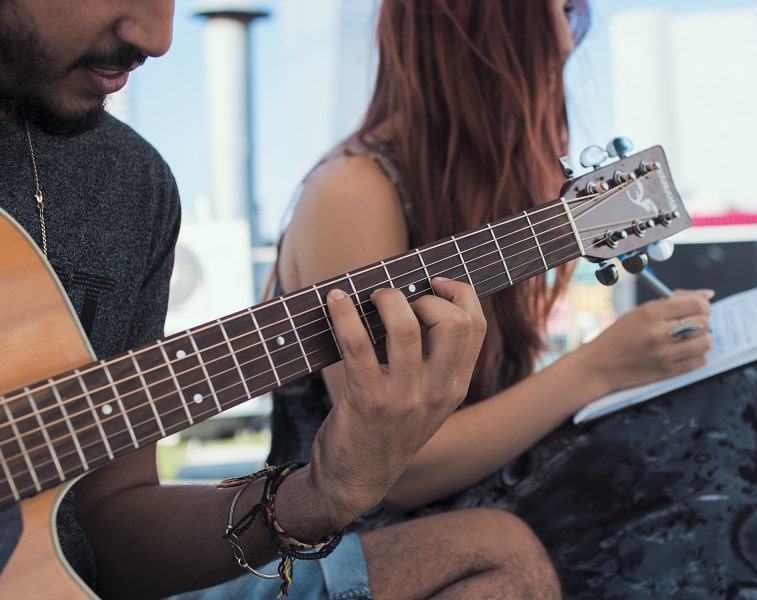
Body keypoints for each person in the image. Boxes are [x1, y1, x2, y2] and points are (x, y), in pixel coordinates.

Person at [265, 0, 757, 598]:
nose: (570, 37)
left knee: (720, 398)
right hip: (347, 536)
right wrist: (599, 368)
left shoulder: (468, 196)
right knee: (716, 425)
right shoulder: (353, 190)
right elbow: (396, 470)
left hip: (468, 494)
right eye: (562, 9)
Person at [0, 2, 564, 599]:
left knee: (501, 557)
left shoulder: (126, 180)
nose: (159, 38)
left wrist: (320, 495)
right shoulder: (353, 185)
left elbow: (109, 532)